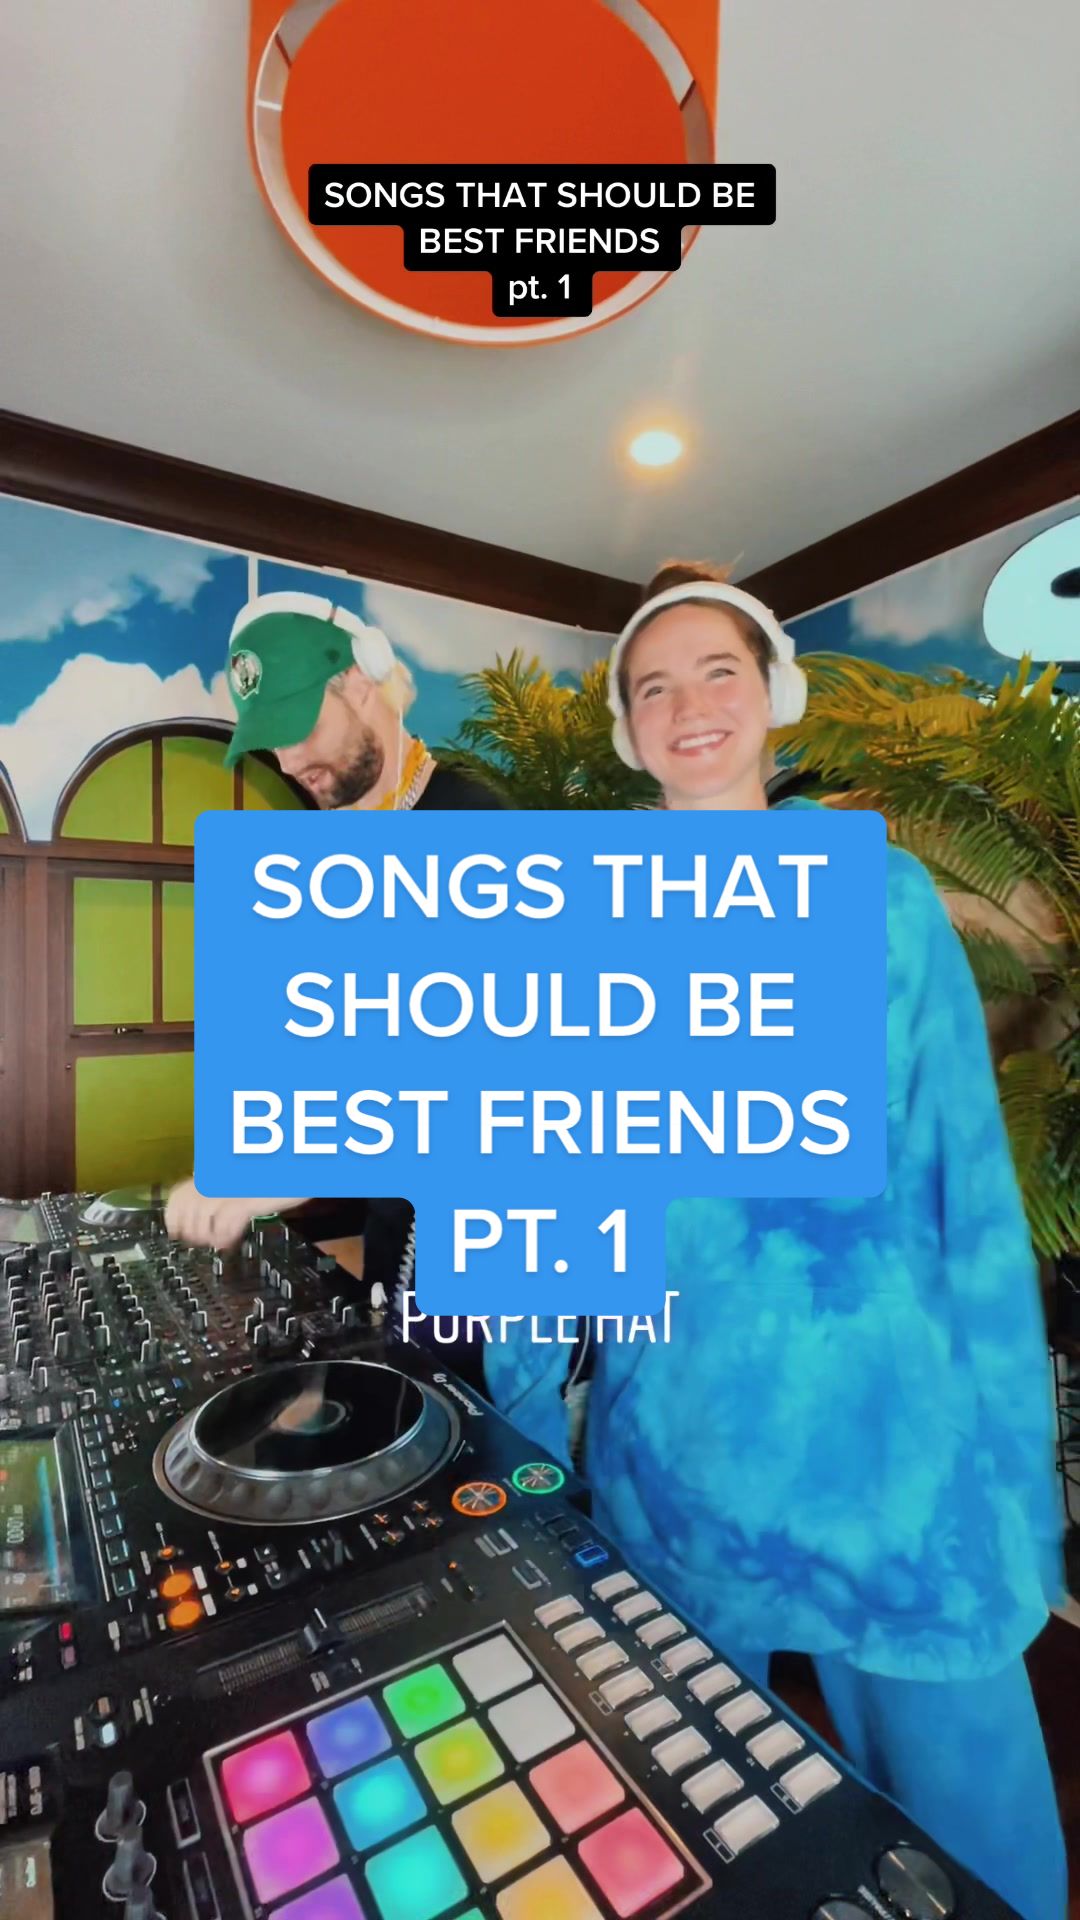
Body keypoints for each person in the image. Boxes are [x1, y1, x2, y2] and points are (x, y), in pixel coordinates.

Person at [482, 559, 1066, 1920]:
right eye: (654, 686)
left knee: (979, 1845)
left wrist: (1016, 1485)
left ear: (772, 695)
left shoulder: (888, 906)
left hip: (897, 1457)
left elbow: (970, 1195)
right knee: (696, 1826)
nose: (689, 706)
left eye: (717, 672)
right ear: (629, 729)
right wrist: (521, 1446)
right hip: (683, 1454)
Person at [166, 590, 503, 1380]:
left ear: (361, 681)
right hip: (397, 1245)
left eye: (297, 726)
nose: (288, 764)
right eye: (270, 742)